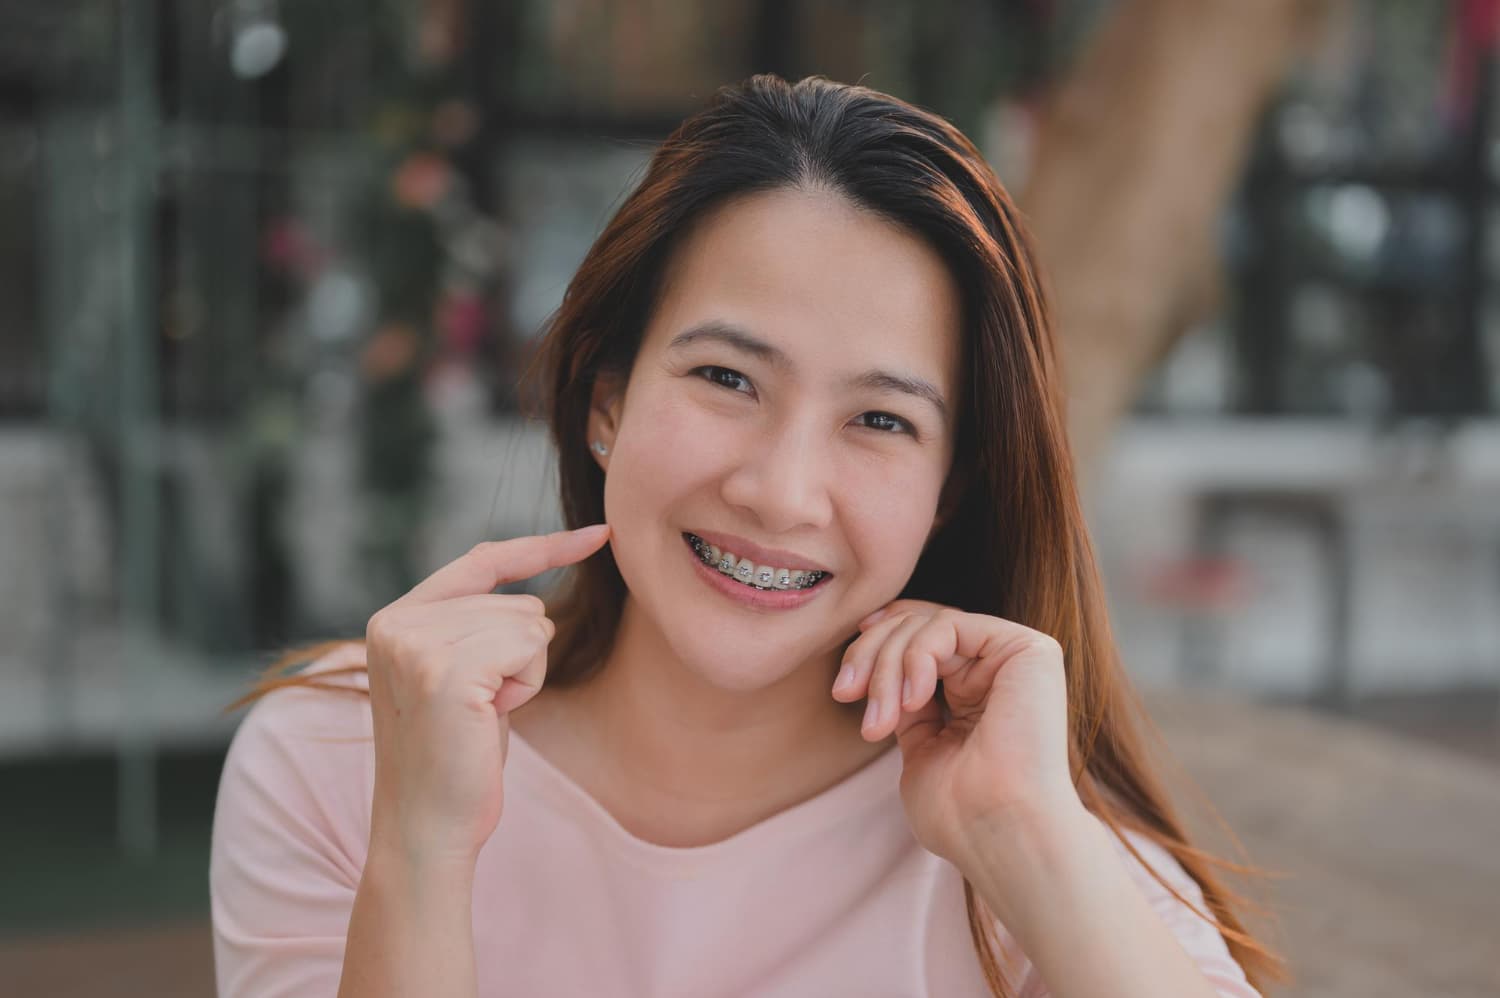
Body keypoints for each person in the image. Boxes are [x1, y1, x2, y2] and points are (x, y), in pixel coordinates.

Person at [210, 74, 1286, 998]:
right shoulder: (339, 755)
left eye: (880, 420)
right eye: (727, 377)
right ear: (605, 401)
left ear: (950, 490)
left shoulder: (1020, 828)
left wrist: (1029, 841)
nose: (781, 492)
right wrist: (417, 848)